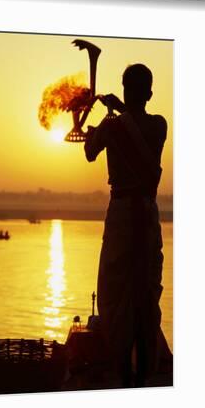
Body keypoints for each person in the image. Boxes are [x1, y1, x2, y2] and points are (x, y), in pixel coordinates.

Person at [83, 64, 167, 387]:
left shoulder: (129, 125)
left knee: (122, 295)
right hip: (141, 216)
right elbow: (95, 149)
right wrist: (108, 122)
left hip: (126, 218)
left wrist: (105, 124)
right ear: (148, 93)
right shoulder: (147, 125)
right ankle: (138, 375)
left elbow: (90, 152)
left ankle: (126, 374)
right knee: (137, 294)